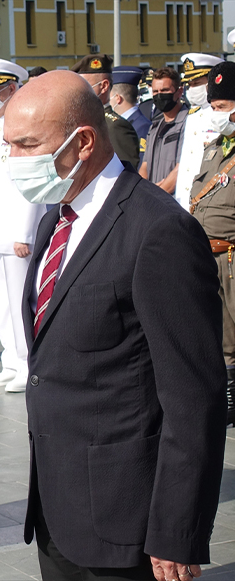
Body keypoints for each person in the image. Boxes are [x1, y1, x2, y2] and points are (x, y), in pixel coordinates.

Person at [4, 69, 225, 581]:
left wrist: (177, 529)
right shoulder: (55, 219)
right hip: (57, 509)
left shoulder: (157, 230)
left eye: (28, 145)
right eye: (9, 145)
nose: (15, 161)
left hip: (127, 522)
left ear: (82, 142)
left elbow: (194, 395)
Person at [0, 58, 46, 393]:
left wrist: (24, 232)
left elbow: (30, 186)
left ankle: (29, 363)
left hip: (15, 233)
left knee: (20, 302)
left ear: (12, 89)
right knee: (0, 303)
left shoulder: (27, 128)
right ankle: (10, 360)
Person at [190, 61, 235, 427]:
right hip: (209, 256)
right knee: (222, 336)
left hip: (233, 258)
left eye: (220, 108)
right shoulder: (215, 147)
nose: (214, 114)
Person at [71, 54, 141, 169]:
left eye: (85, 86)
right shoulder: (82, 120)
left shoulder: (115, 126)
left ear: (103, 86)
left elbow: (126, 174)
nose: (80, 91)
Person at [175, 53, 223, 208]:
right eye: (189, 84)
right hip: (185, 199)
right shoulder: (192, 115)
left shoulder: (222, 115)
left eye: (196, 83)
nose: (191, 89)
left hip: (210, 199)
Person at [139, 67, 189, 194]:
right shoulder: (155, 125)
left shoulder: (188, 123)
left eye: (165, 90)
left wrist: (157, 196)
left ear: (179, 91)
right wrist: (143, 192)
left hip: (172, 201)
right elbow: (145, 164)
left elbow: (181, 168)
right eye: (155, 91)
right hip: (152, 199)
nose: (159, 95)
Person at [111, 66, 150, 163]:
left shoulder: (142, 127)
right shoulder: (118, 123)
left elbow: (141, 165)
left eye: (109, 96)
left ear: (117, 98)